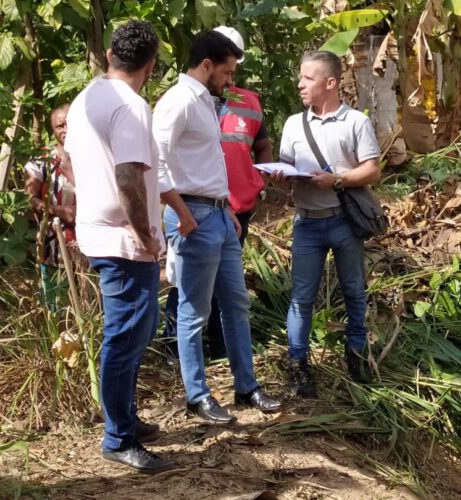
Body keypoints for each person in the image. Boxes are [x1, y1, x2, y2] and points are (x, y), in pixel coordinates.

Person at [65, 20, 195, 473]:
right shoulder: (131, 106)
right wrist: (144, 235)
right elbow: (127, 177)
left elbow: (71, 164)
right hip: (123, 241)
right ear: (151, 65)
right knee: (125, 337)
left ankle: (127, 421)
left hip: (99, 231)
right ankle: (118, 438)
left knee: (133, 332)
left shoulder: (87, 98)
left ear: (109, 56)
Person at [153, 30, 281, 424]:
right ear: (206, 65)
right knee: (194, 311)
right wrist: (182, 212)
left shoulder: (206, 101)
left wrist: (225, 208)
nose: (230, 80)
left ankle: (247, 386)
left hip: (219, 214)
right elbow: (154, 164)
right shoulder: (176, 102)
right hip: (193, 215)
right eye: (226, 72)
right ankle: (197, 394)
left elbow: (209, 162)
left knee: (236, 304)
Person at [273, 50, 381, 396]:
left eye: (308, 78)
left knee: (353, 291)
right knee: (301, 298)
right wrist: (280, 177)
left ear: (330, 83)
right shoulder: (293, 124)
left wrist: (335, 180)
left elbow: (372, 168)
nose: (300, 84)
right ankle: (298, 364)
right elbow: (285, 171)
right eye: (300, 77)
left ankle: (356, 353)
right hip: (306, 223)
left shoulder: (355, 123)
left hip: (344, 222)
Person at [24, 104, 76, 312]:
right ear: (52, 131)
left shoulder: (94, 155)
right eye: (59, 126)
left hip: (92, 246)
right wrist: (58, 211)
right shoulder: (42, 159)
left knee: (93, 304)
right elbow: (28, 199)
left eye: (69, 124)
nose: (65, 130)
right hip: (55, 244)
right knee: (57, 308)